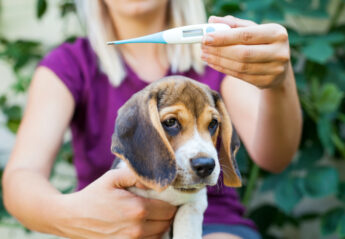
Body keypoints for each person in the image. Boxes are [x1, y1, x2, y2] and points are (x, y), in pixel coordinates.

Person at [2, 0, 302, 238]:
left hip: (211, 224)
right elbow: (21, 177)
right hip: (111, 228)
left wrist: (278, 82)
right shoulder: (69, 65)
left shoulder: (220, 55)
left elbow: (273, 157)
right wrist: (71, 216)